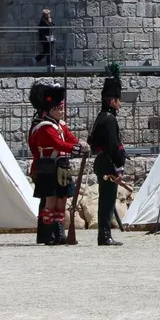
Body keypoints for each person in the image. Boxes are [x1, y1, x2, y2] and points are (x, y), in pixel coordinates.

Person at [28, 81, 87, 245]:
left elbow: (69, 138)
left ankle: (59, 231)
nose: (62, 111)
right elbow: (58, 144)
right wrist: (75, 149)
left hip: (61, 167)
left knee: (61, 200)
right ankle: (49, 234)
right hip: (49, 168)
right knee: (50, 202)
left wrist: (80, 144)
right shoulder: (45, 127)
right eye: (60, 108)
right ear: (53, 109)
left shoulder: (60, 125)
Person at [88, 64, 127, 246]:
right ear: (112, 101)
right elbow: (114, 146)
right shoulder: (109, 120)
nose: (120, 103)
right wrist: (119, 166)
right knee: (107, 200)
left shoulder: (101, 117)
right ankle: (104, 235)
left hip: (102, 161)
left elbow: (93, 141)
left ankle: (104, 234)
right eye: (118, 100)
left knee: (107, 199)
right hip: (108, 163)